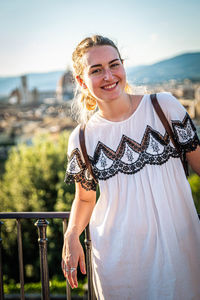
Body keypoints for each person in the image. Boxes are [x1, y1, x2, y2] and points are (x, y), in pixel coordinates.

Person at [61, 35, 200, 300]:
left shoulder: (163, 107)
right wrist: (71, 234)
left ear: (123, 66)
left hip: (180, 248)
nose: (109, 75)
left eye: (114, 64)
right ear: (81, 81)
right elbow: (85, 197)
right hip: (120, 260)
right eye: (96, 70)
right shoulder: (81, 137)